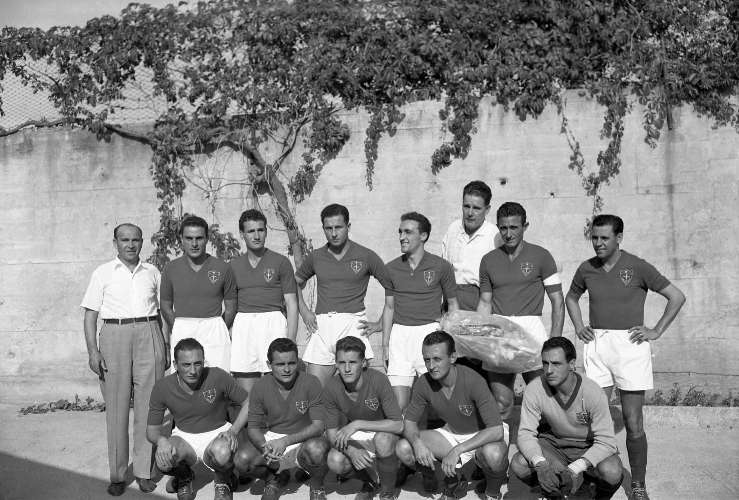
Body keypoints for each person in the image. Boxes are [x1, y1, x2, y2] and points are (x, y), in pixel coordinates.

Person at [565, 214, 686, 500]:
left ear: (619, 238)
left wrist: (656, 330)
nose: (598, 243)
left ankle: (638, 484)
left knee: (633, 421)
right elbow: (571, 297)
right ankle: (593, 479)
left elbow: (677, 296)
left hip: (630, 346)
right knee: (592, 418)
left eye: (604, 238)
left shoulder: (638, 266)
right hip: (598, 345)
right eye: (594, 237)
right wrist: (579, 326)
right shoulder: (586, 268)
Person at [81, 223, 167, 496]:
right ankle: (118, 475)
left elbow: (162, 312)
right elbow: (90, 315)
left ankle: (143, 472)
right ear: (115, 242)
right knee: (117, 409)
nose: (130, 245)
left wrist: (164, 344)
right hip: (114, 335)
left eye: (135, 240)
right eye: (124, 240)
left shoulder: (152, 272)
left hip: (149, 331)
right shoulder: (103, 272)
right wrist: (93, 351)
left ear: (142, 242)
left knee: (148, 408)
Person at [476, 202, 565, 419]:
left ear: (525, 226)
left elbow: (557, 301)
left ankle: (543, 441)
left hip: (531, 332)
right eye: (503, 228)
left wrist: (555, 341)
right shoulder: (488, 260)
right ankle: (503, 442)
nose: (508, 234)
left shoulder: (542, 256)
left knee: (546, 400)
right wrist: (479, 339)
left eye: (514, 227)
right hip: (499, 332)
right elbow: (485, 302)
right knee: (501, 403)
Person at [396, 331, 509, 500]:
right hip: (453, 433)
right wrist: (417, 443)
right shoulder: (424, 382)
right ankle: (454, 479)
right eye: (427, 359)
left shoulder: (473, 380)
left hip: (484, 435)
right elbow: (410, 421)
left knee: (494, 455)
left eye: (437, 359)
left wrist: (458, 450)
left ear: (453, 357)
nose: (431, 366)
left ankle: (492, 492)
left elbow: (496, 430)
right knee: (404, 448)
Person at [512, 336, 624, 499]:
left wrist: (576, 468)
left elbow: (607, 441)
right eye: (545, 363)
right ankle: (552, 492)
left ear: (571, 364)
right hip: (554, 444)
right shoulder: (534, 388)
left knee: (612, 471)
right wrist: (540, 463)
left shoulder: (592, 392)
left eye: (556, 364)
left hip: (588, 445)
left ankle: (592, 492)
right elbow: (525, 434)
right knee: (519, 463)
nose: (549, 370)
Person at [295, 204, 392, 386]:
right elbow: (294, 284)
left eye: (338, 227)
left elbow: (392, 286)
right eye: (328, 228)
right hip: (322, 327)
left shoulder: (366, 255)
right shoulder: (316, 256)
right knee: (315, 389)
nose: (333, 233)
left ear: (348, 226)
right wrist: (305, 312)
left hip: (353, 325)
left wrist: (380, 324)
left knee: (356, 391)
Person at [147, 338, 250, 500]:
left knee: (223, 453)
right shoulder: (162, 387)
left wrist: (233, 431)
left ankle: (222, 481)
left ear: (203, 361)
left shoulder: (217, 376)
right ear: (175, 365)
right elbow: (151, 431)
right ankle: (184, 477)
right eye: (186, 365)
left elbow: (249, 402)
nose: (193, 371)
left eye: (197, 363)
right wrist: (161, 441)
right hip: (184, 438)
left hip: (218, 435)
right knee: (163, 461)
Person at [381, 211, 458, 410]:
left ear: (423, 236)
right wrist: (385, 344)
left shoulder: (442, 266)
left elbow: (453, 305)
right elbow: (389, 307)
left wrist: (450, 339)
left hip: (430, 334)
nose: (402, 237)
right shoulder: (390, 268)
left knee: (437, 402)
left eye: (408, 232)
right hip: (400, 336)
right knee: (399, 405)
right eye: (400, 232)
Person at [238, 338, 330, 500]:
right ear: (269, 365)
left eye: (291, 363)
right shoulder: (260, 386)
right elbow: (253, 428)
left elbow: (318, 426)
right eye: (280, 364)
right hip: (273, 439)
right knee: (241, 460)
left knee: (317, 449)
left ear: (298, 362)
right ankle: (273, 479)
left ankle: (316, 487)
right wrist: (265, 447)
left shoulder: (311, 382)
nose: (287, 369)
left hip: (304, 439)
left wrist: (285, 441)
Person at [323, 336, 403, 500]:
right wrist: (352, 452)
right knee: (334, 460)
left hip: (384, 431)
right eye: (342, 363)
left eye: (352, 362)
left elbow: (398, 425)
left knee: (383, 440)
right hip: (359, 434)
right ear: (336, 364)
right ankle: (370, 481)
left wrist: (357, 424)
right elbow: (331, 434)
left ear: (364, 363)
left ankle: (387, 492)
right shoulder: (331, 386)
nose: (347, 369)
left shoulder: (378, 379)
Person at [229, 209, 298, 395]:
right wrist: (231, 331)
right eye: (251, 231)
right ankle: (251, 415)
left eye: (260, 230)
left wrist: (291, 340)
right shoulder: (233, 266)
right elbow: (229, 305)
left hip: (273, 324)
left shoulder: (281, 262)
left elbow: (292, 304)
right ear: (242, 234)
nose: (256, 236)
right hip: (244, 325)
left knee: (278, 385)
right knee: (246, 388)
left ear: (266, 231)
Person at [161, 215, 237, 371]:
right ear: (181, 239)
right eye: (189, 238)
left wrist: (219, 327)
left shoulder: (223, 268)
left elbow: (231, 307)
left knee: (218, 376)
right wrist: (179, 326)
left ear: (207, 238)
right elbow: (165, 305)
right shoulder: (171, 268)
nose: (194, 244)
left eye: (199, 238)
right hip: (183, 328)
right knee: (185, 378)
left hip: (214, 329)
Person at [441, 180, 497, 311]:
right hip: (451, 303)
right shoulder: (453, 229)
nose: (470, 213)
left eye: (476, 208)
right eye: (466, 206)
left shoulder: (495, 236)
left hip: (480, 305)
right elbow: (444, 267)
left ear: (487, 210)